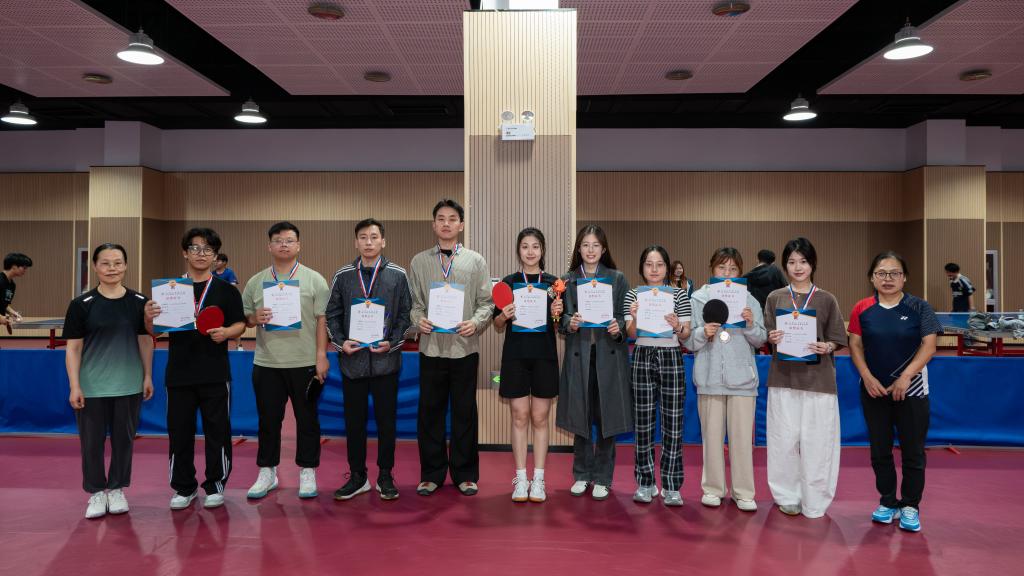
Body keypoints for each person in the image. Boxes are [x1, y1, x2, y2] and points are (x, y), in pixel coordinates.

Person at [144, 228, 246, 510]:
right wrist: (149, 318)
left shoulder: (226, 290)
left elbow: (240, 324)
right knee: (179, 432)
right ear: (184, 252)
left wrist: (227, 332)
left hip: (215, 373)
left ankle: (215, 485)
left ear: (215, 256)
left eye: (208, 249)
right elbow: (155, 332)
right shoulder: (169, 290)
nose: (201, 254)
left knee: (218, 431)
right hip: (179, 373)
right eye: (195, 248)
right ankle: (183, 487)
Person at [849, 251, 940, 533]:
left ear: (904, 277)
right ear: (872, 277)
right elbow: (855, 345)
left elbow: (929, 345)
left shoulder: (920, 307)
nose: (887, 278)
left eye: (894, 273)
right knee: (880, 450)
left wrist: (906, 377)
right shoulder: (862, 308)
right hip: (874, 391)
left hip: (912, 390)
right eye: (881, 273)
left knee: (913, 452)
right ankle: (888, 501)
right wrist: (867, 377)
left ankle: (910, 505)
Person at [408, 199, 493, 497]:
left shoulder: (475, 261)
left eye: (452, 218)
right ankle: (431, 474)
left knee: (464, 412)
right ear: (434, 225)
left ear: (461, 225)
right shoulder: (419, 262)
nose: (446, 223)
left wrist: (475, 322)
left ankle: (465, 474)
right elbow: (414, 304)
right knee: (429, 412)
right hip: (431, 349)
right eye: (441, 219)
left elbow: (487, 302)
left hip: (464, 348)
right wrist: (418, 320)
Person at [62, 243, 154, 519]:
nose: (112, 268)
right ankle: (96, 493)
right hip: (92, 386)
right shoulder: (81, 305)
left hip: (128, 384)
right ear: (95, 266)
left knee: (124, 441)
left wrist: (147, 375)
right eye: (105, 263)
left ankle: (116, 489)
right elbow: (73, 348)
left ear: (126, 265)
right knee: (91, 443)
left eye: (117, 263)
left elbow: (145, 340)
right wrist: (75, 385)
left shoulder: (139, 302)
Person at [242, 222, 331, 500]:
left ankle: (307, 470)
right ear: (269, 246)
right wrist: (254, 318)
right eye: (278, 240)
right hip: (267, 362)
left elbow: (322, 319)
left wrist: (321, 356)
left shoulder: (314, 279)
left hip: (305, 361)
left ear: (298, 245)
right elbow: (244, 317)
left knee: (307, 419)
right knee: (268, 420)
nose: (284, 244)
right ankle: (267, 471)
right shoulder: (256, 281)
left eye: (289, 240)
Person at [326, 218, 411, 501]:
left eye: (374, 237)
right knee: (354, 423)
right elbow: (332, 314)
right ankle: (358, 476)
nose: (369, 242)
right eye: (363, 237)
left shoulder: (398, 274)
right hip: (353, 364)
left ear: (383, 241)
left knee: (387, 423)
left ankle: (385, 475)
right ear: (356, 242)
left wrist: (392, 343)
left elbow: (406, 315)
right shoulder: (343, 275)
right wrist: (341, 343)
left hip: (386, 362)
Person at [764, 237, 848, 518]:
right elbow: (767, 334)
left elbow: (838, 338)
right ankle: (786, 495)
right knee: (782, 441)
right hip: (783, 379)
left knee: (818, 443)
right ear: (784, 265)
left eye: (803, 261)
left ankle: (815, 499)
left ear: (812, 264)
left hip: (819, 382)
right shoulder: (775, 298)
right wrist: (772, 337)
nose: (797, 267)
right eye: (791, 262)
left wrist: (827, 347)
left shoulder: (827, 299)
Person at [686, 247, 765, 512]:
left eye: (733, 268)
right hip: (709, 378)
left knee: (742, 441)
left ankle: (744, 492)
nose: (727, 273)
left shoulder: (749, 300)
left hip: (743, 380)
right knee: (711, 439)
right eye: (722, 267)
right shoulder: (698, 299)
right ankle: (713, 489)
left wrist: (750, 324)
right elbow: (689, 341)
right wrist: (703, 332)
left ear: (740, 272)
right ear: (712, 269)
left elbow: (761, 339)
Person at [557, 224, 631, 501]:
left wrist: (618, 327)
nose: (590, 250)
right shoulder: (568, 280)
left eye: (595, 245)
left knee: (607, 418)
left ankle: (602, 477)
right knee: (581, 416)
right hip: (579, 357)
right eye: (586, 245)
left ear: (604, 249)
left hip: (608, 358)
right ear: (579, 249)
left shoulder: (617, 278)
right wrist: (570, 322)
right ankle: (581, 474)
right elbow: (560, 320)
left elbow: (625, 317)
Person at [492, 227, 562, 503]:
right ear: (518, 250)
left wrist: (557, 314)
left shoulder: (555, 285)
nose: (530, 251)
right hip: (516, 357)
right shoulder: (508, 283)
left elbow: (559, 325)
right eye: (525, 246)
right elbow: (497, 324)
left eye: (535, 246)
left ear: (542, 250)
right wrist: (504, 315)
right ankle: (521, 478)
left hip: (544, 356)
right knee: (519, 416)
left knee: (540, 418)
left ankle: (539, 480)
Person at [624, 245, 691, 506]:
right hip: (642, 354)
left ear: (667, 267)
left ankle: (672, 486)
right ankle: (645, 482)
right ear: (642, 267)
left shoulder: (679, 295)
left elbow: (686, 333)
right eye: (649, 264)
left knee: (673, 423)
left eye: (660, 264)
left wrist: (677, 326)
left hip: (671, 355)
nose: (654, 269)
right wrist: (633, 317)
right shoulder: (633, 294)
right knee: (643, 423)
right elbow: (631, 334)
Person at [214, 253, 244, 351]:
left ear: (224, 262)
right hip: (216, 303)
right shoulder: (212, 273)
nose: (215, 262)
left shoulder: (229, 272)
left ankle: (239, 345)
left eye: (218, 261)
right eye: (215, 261)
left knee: (233, 324)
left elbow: (233, 286)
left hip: (228, 303)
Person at [1, 252, 31, 326]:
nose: (25, 270)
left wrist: (13, 313)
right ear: (14, 266)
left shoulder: (12, 285)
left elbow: (4, 305)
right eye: (24, 268)